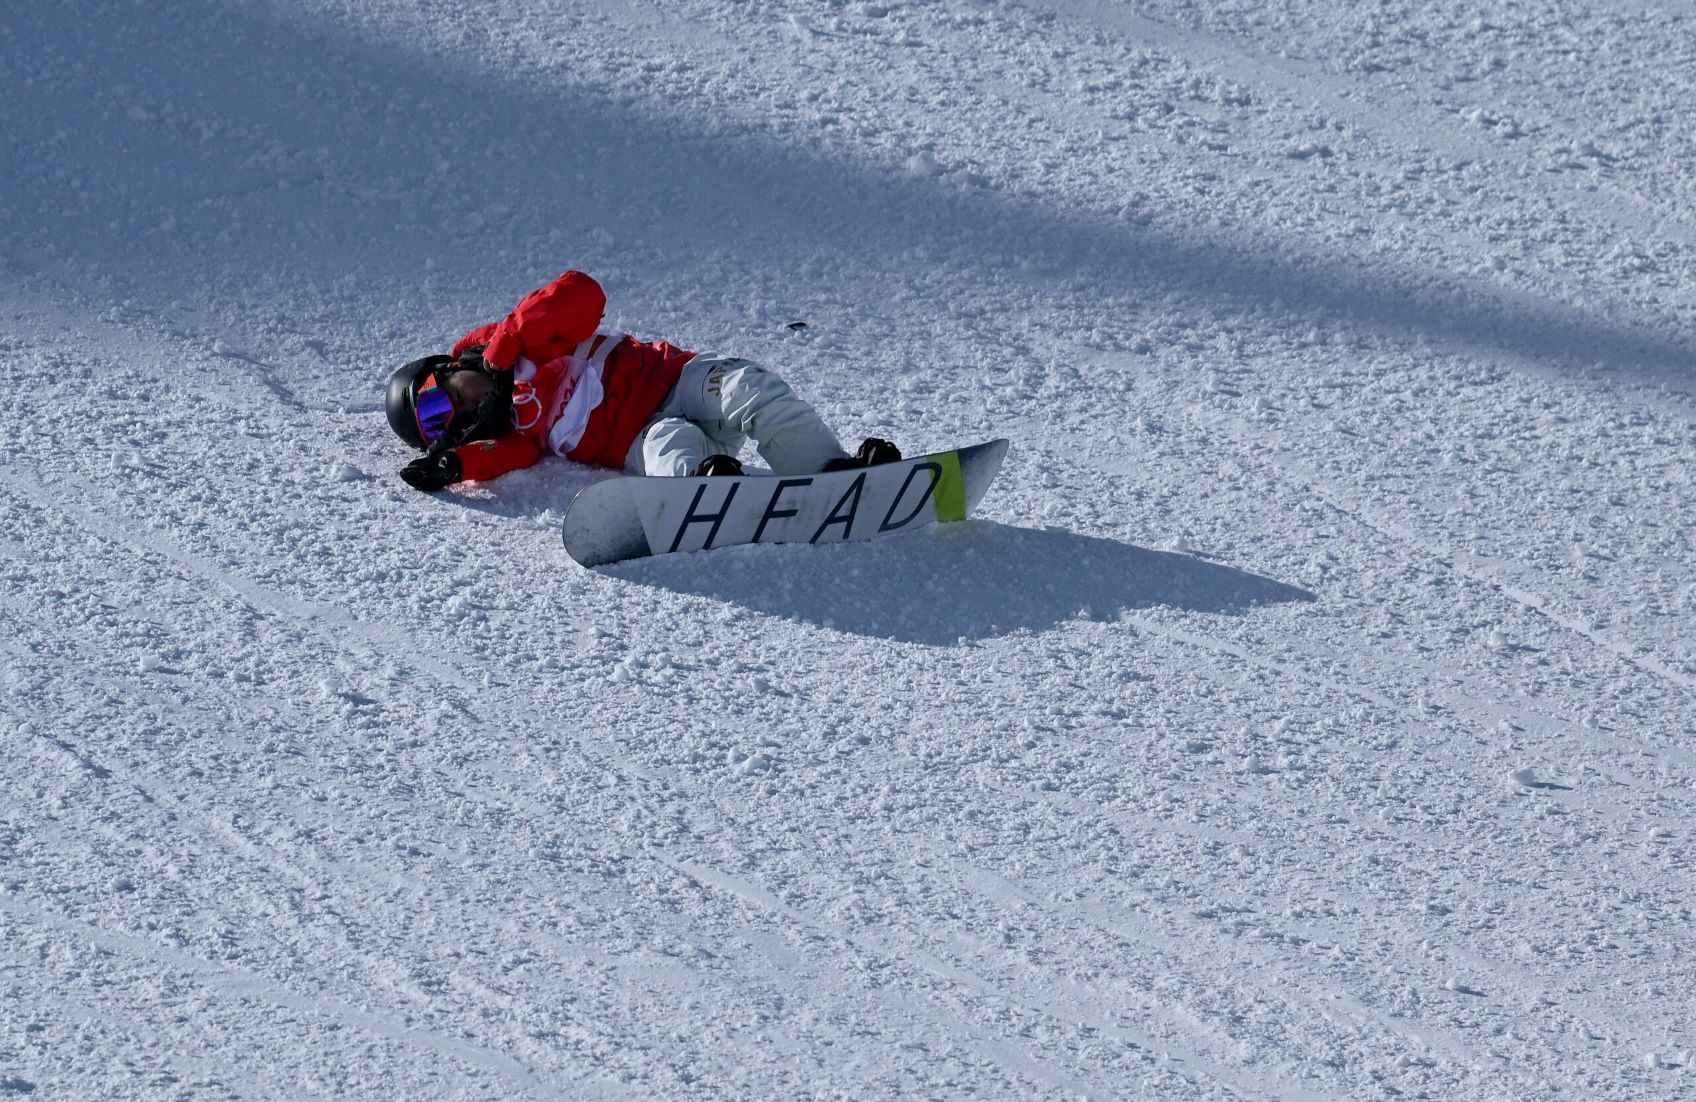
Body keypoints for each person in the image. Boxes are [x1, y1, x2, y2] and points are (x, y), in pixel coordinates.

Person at [385, 270, 900, 491]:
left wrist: (511, 339)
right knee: (670, 449)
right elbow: (505, 456)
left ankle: (833, 473)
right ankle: (710, 489)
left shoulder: (525, 343)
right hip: (637, 436)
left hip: (677, 380)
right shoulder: (513, 432)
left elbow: (582, 294)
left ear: (452, 367)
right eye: (443, 427)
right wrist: (455, 464)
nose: (461, 415)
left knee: (749, 388)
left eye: (440, 404)